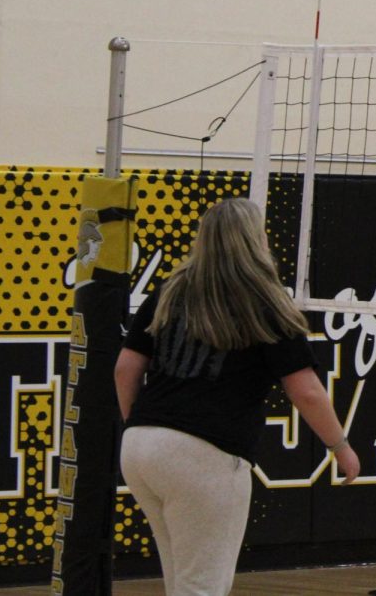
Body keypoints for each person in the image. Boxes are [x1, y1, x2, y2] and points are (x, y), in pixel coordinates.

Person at [114, 197, 360, 596]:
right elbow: (306, 390)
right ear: (255, 241)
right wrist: (340, 446)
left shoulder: (170, 291)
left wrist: (141, 428)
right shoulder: (264, 301)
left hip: (140, 446)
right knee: (203, 587)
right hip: (203, 452)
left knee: (182, 580)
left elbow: (125, 368)